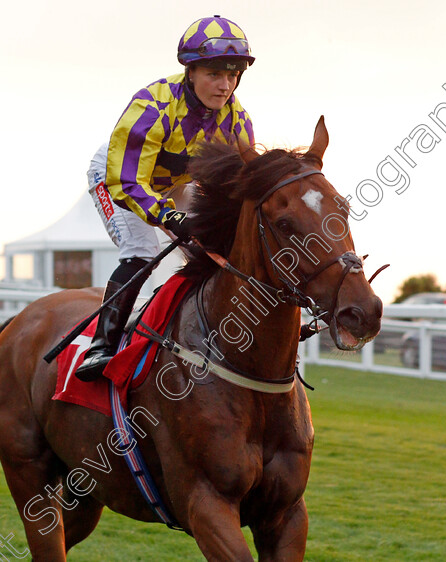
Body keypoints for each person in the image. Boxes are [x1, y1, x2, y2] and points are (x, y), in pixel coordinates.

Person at [76, 15, 256, 381]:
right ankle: (102, 345)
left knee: (212, 251)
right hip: (118, 178)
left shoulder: (237, 121)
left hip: (174, 185)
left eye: (233, 75)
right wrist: (169, 217)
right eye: (214, 74)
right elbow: (128, 182)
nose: (225, 86)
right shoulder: (152, 105)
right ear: (190, 71)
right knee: (141, 252)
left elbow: (238, 192)